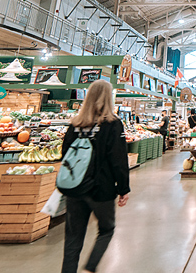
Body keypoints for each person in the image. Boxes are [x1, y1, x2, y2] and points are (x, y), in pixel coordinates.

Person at [61, 80, 130, 273]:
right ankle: (89, 268)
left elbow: (64, 154)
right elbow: (118, 160)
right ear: (109, 97)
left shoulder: (75, 124)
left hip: (75, 188)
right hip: (102, 189)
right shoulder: (113, 124)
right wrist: (123, 188)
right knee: (106, 229)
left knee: (73, 237)